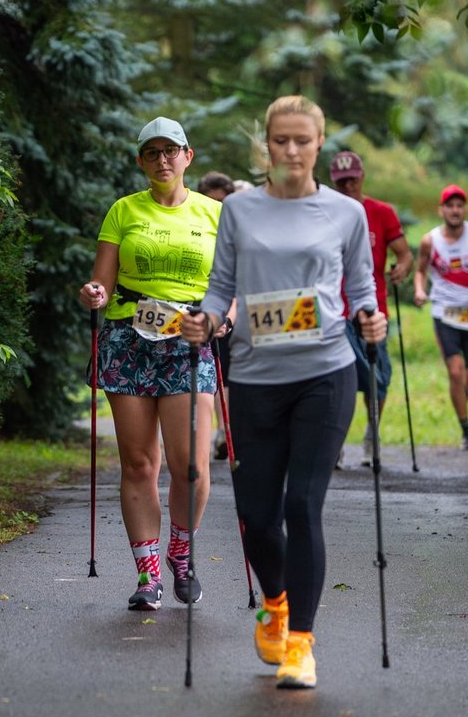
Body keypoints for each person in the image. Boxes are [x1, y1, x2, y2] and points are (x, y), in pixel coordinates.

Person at [182, 95, 386, 690]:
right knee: (256, 516)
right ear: (265, 146)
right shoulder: (240, 211)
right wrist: (207, 321)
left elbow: (361, 287)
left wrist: (372, 318)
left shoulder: (344, 215)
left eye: (302, 140)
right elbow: (220, 288)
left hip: (325, 371)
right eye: (280, 141)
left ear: (319, 144)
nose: (291, 151)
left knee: (303, 507)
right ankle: (275, 604)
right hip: (254, 377)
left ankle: (301, 643)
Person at [78, 116, 224, 611]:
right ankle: (148, 575)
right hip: (129, 337)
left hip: (188, 337)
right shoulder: (123, 211)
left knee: (191, 467)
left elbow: (232, 287)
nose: (162, 160)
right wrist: (94, 294)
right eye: (151, 152)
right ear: (141, 161)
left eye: (171, 150)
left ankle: (181, 550)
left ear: (189, 156)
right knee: (140, 463)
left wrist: (222, 320)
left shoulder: (214, 214)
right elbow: (102, 283)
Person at [329, 150, 413, 468]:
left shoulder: (381, 212)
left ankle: (371, 432)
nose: (348, 185)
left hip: (372, 308)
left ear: (362, 176)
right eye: (342, 181)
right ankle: (334, 443)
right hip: (335, 310)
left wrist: (402, 268)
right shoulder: (326, 211)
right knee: (342, 377)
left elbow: (404, 253)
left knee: (379, 376)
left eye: (353, 179)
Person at [413, 184, 468, 450]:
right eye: (450, 206)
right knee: (455, 371)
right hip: (444, 313)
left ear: (465, 209)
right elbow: (420, 271)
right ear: (441, 210)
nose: (455, 210)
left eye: (459, 205)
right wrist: (420, 290)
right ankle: (467, 431)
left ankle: (462, 394)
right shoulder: (430, 241)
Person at [196, 171, 237, 461]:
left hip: (231, 311)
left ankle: (226, 432)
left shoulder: (236, 227)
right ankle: (208, 433)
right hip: (200, 310)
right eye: (212, 201)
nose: (218, 207)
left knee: (229, 376)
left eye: (223, 201)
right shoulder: (196, 223)